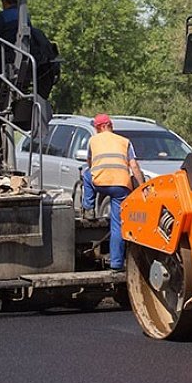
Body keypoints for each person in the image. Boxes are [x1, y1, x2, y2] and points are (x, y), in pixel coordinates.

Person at [81, 114, 144, 271]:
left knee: (87, 174)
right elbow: (134, 166)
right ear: (110, 125)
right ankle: (116, 264)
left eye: (96, 128)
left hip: (100, 182)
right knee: (117, 226)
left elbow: (89, 163)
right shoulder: (124, 141)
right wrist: (143, 187)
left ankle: (89, 209)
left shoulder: (93, 141)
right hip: (121, 186)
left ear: (101, 127)